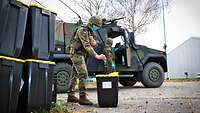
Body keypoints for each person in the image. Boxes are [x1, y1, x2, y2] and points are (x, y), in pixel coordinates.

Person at [68, 16, 106, 105]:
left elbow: (93, 44)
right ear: (91, 23)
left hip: (81, 54)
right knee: (83, 74)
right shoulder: (82, 30)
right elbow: (87, 46)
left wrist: (94, 43)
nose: (96, 28)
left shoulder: (90, 32)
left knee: (74, 74)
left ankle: (71, 96)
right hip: (76, 54)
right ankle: (82, 97)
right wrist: (97, 56)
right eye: (96, 26)